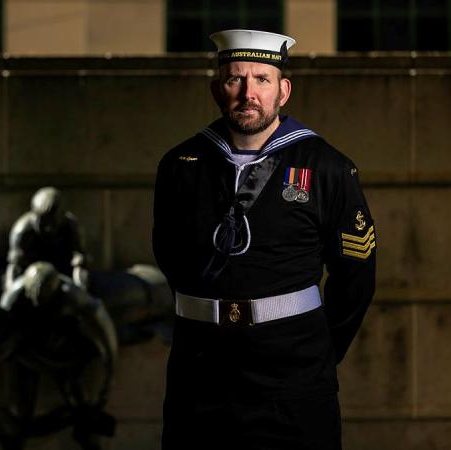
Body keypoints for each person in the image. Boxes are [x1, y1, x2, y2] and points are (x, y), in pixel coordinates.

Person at [153, 29, 376, 450]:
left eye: (262, 80)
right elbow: (170, 256)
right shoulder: (180, 165)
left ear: (283, 90)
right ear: (218, 88)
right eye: (236, 79)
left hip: (292, 371)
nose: (248, 93)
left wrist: (318, 352)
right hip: (200, 369)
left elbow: (357, 276)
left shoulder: (327, 167)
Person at [0, 262, 117, 450]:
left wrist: (109, 374)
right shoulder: (14, 296)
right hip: (27, 353)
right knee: (17, 410)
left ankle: (89, 437)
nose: (38, 303)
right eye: (34, 299)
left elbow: (105, 331)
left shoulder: (75, 297)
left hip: (63, 352)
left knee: (80, 403)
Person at [5, 187, 89, 290]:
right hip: (30, 279)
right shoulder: (21, 232)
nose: (49, 228)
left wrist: (80, 290)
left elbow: (79, 263)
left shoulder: (72, 227)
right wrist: (11, 289)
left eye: (53, 222)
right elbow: (14, 266)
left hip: (63, 278)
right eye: (44, 222)